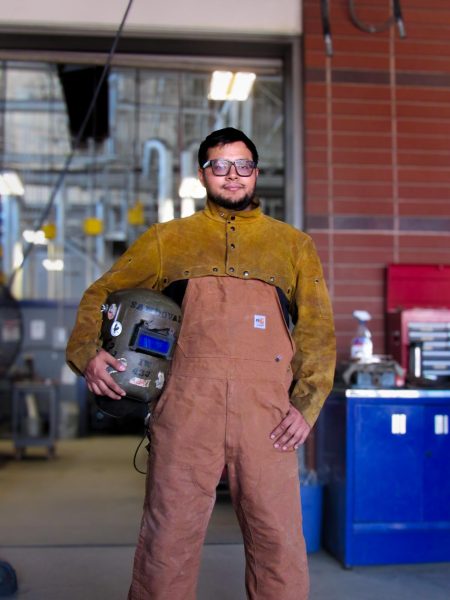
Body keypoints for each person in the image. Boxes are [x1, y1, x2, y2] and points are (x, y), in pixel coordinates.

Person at [66, 127, 336, 600]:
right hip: (186, 409)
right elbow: (101, 295)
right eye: (219, 165)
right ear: (202, 174)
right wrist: (89, 353)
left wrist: (306, 405)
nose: (232, 176)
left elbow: (317, 332)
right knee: (168, 538)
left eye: (242, 165)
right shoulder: (170, 241)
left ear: (256, 172)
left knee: (279, 542)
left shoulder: (293, 246)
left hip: (267, 416)